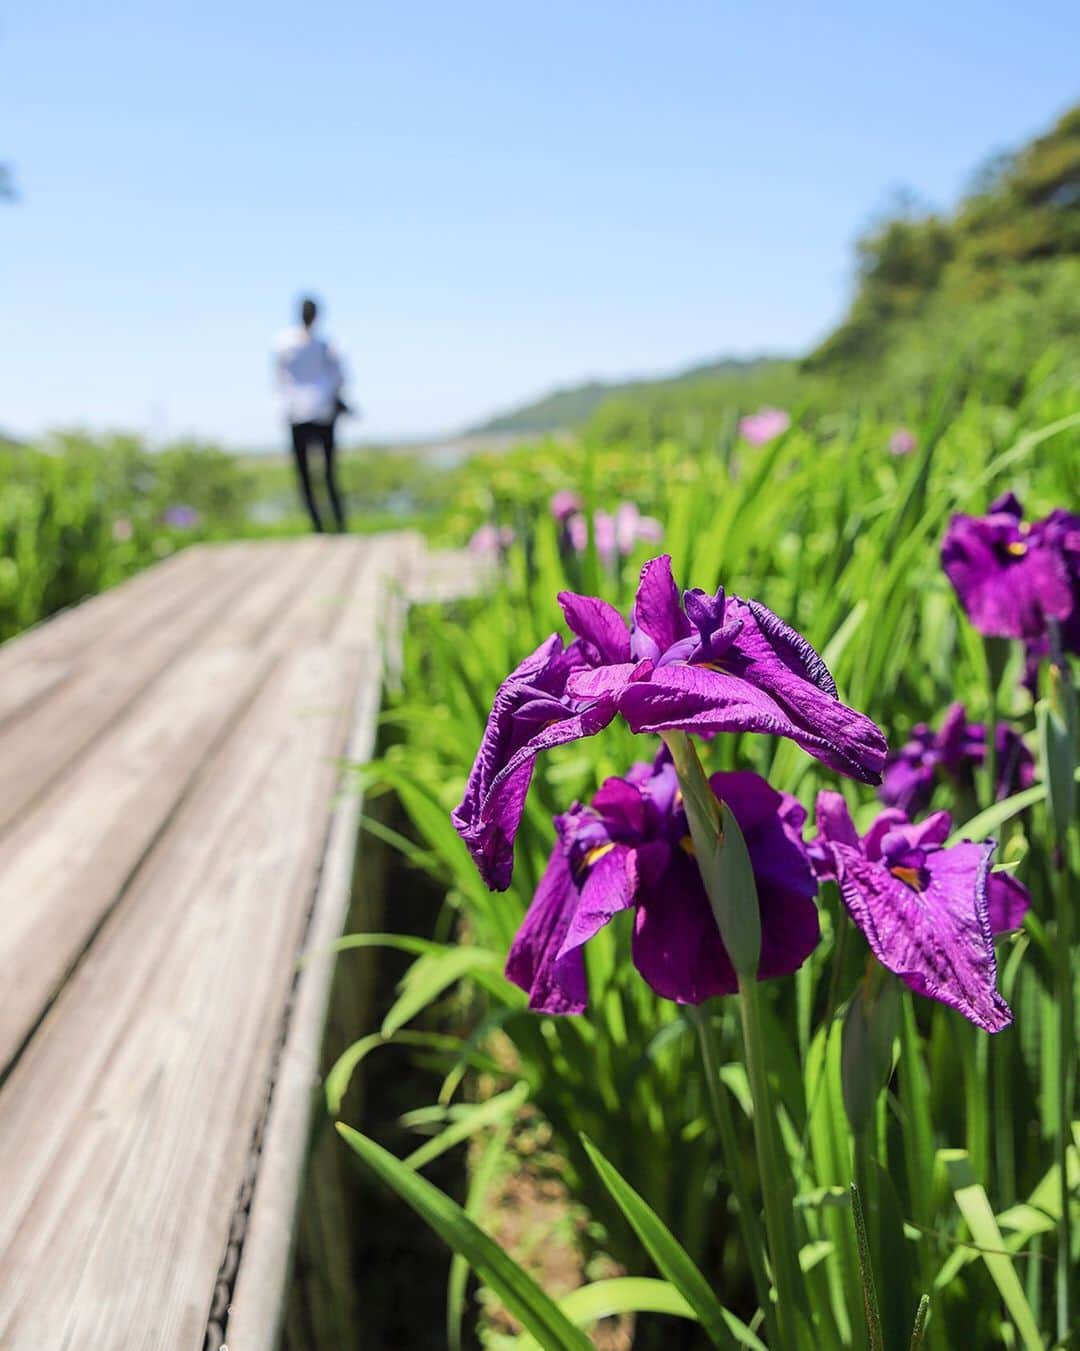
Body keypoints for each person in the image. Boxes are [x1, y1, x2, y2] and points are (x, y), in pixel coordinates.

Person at [274, 296, 349, 532]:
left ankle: (319, 526)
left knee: (307, 473)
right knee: (327, 471)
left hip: (297, 412)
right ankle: (337, 524)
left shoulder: (283, 343)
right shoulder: (324, 344)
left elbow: (279, 378)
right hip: (321, 411)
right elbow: (339, 377)